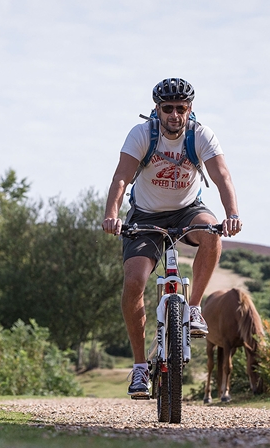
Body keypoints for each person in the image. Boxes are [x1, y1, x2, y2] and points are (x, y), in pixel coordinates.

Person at [102, 78, 242, 398]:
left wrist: (232, 213)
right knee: (134, 279)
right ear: (157, 110)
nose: (175, 114)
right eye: (168, 108)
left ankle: (193, 309)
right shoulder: (142, 134)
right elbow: (121, 177)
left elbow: (222, 177)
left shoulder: (201, 135)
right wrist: (112, 214)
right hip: (146, 216)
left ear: (190, 109)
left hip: (187, 210)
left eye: (181, 108)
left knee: (210, 233)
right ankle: (140, 368)